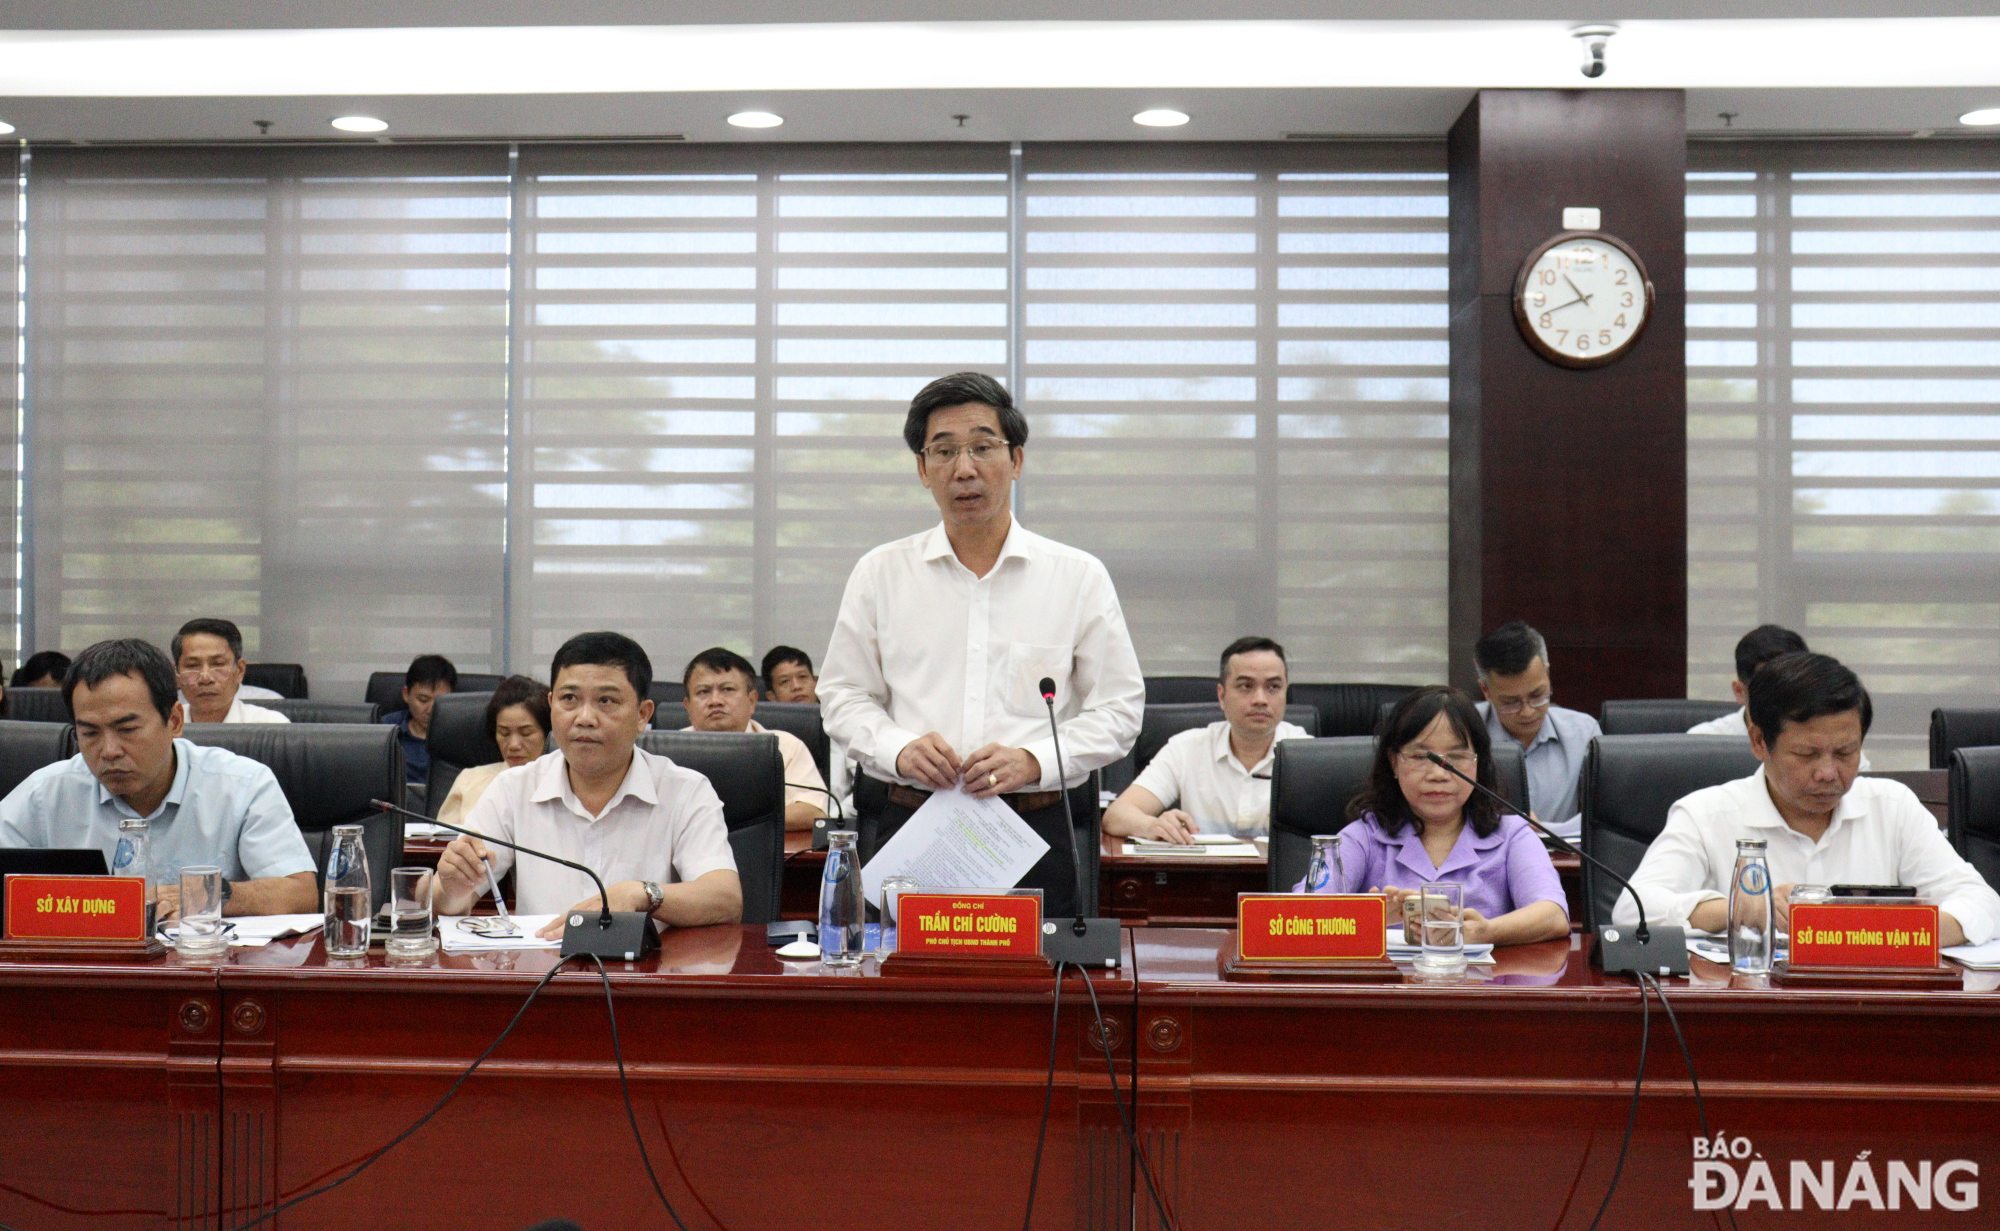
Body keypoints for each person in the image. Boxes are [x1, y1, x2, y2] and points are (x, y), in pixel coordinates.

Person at [819, 371, 1144, 916]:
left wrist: (1032, 759)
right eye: (943, 451)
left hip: (1030, 830)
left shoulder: (1076, 576)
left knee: (1037, 997)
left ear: (1016, 460)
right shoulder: (880, 573)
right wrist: (898, 748)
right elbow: (842, 696)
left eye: (982, 447)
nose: (964, 468)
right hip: (914, 828)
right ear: (923, 470)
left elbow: (1120, 709)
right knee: (902, 993)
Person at [1619, 652, 2000, 947]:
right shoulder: (1706, 814)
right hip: (1753, 1015)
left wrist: (1883, 934)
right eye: (1806, 755)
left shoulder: (1892, 806)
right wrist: (1747, 907)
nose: (1828, 773)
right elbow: (1631, 910)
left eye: (1846, 752)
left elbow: (1982, 904)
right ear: (1758, 741)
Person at [431, 631, 740, 935]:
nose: (585, 717)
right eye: (569, 699)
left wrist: (641, 895)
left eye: (606, 700)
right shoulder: (512, 789)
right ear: (551, 706)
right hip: (541, 976)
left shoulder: (685, 790)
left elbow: (725, 899)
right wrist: (451, 888)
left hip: (646, 975)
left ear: (642, 715)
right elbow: (444, 901)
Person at [0, 638, 317, 919]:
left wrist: (209, 893)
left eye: (127, 730)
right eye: (89, 733)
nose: (109, 750)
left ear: (175, 721)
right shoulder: (47, 792)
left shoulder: (241, 784)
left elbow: (299, 894)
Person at [1296, 685, 1569, 946]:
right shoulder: (1364, 835)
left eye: (1456, 757)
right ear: (1394, 762)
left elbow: (1553, 916)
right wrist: (1369, 918)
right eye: (1420, 757)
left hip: (1483, 989)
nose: (1438, 774)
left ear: (1478, 764)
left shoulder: (1512, 835)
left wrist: (1487, 932)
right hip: (1389, 991)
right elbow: (1302, 915)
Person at [1103, 636, 1310, 843]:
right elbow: (1116, 816)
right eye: (1246, 686)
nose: (1260, 700)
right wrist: (1153, 825)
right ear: (1222, 696)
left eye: (1273, 687)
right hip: (1205, 874)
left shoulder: (1309, 756)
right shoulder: (1186, 749)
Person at [682, 647, 827, 832]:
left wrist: (722, 822)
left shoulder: (784, 746)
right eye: (703, 692)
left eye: (727, 689)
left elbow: (813, 810)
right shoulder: (665, 752)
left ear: (751, 701)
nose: (715, 701)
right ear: (687, 706)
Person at [1473, 620, 1599, 828]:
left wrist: (1543, 832)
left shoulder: (1584, 733)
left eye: (1537, 695)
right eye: (1510, 702)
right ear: (1485, 691)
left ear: (1547, 675)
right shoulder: (1463, 731)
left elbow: (1604, 820)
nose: (1527, 711)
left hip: (1558, 857)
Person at [434, 675, 551, 830]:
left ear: (548, 734)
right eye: (504, 733)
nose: (514, 745)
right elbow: (441, 845)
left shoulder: (565, 783)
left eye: (526, 733)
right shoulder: (469, 780)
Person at [1690, 624, 1808, 739]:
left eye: (1792, 687)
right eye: (1768, 689)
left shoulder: (1821, 738)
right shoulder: (1703, 741)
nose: (1782, 698)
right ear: (1739, 691)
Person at [172, 619, 288, 725]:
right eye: (192, 665)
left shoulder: (270, 724)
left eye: (218, 664)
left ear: (240, 671)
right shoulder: (165, 727)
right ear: (177, 675)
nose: (206, 678)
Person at [381, 654, 456, 786]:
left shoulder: (462, 736)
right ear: (406, 694)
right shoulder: (384, 729)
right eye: (423, 700)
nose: (431, 710)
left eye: (440, 702)